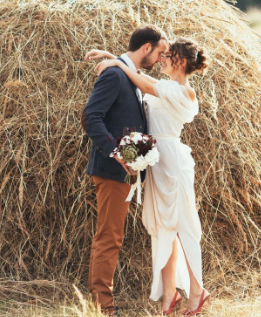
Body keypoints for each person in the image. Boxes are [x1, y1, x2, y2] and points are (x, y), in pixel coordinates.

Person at [86, 37, 210, 316]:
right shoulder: (164, 87)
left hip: (172, 161)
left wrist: (117, 61)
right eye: (161, 53)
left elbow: (142, 82)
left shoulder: (182, 91)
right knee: (161, 225)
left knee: (183, 224)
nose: (162, 59)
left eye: (168, 55)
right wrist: (116, 58)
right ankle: (169, 295)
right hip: (156, 161)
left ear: (179, 61)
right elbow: (137, 74)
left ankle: (197, 291)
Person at [83, 24, 168, 316]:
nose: (160, 59)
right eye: (159, 53)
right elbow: (92, 116)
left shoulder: (125, 72)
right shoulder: (114, 74)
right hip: (112, 169)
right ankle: (102, 307)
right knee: (109, 237)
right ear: (146, 48)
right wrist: (116, 152)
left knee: (112, 236)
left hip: (127, 170)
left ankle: (101, 303)